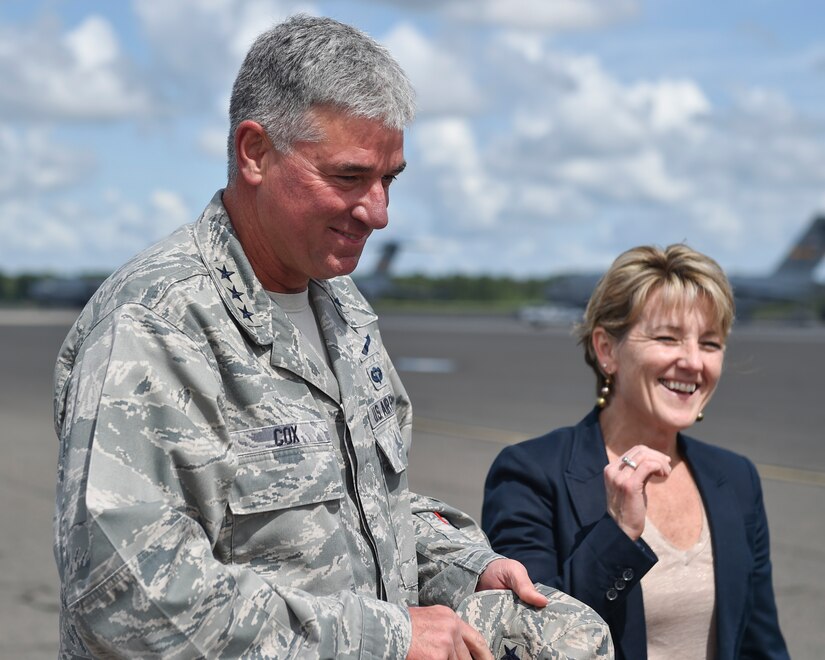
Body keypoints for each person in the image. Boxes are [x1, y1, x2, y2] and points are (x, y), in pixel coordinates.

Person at [53, 15, 612, 659]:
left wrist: (464, 564)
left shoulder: (339, 305)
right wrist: (390, 639)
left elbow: (358, 507)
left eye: (389, 180)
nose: (378, 212)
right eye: (349, 178)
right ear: (255, 152)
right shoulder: (156, 324)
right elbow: (126, 600)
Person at [482, 244, 790, 660]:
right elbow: (526, 643)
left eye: (711, 343)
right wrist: (617, 533)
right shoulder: (530, 473)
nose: (694, 362)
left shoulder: (736, 477)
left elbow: (760, 644)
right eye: (667, 338)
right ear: (607, 350)